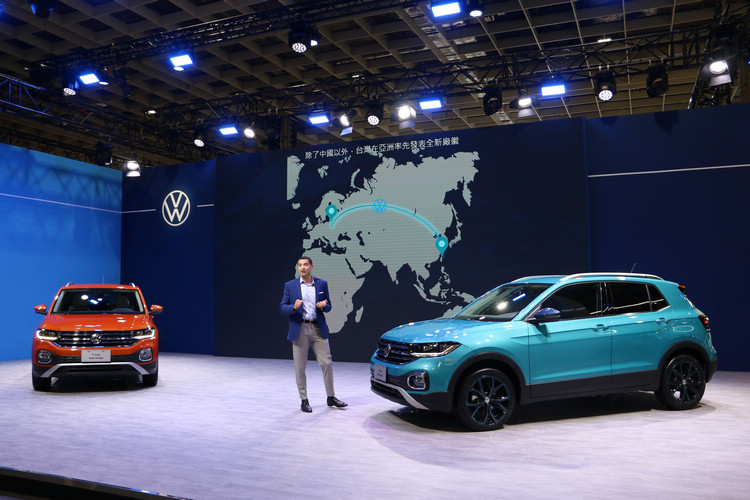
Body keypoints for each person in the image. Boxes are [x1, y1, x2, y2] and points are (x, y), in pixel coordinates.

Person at [280, 256, 348, 413]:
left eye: (305, 265)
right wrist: (293, 307)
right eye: (300, 265)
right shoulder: (290, 285)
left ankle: (331, 397)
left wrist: (324, 305)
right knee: (300, 367)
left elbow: (329, 306)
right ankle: (304, 400)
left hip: (318, 328)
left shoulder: (321, 284)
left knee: (326, 363)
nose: (302, 268)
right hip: (300, 329)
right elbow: (282, 307)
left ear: (311, 267)